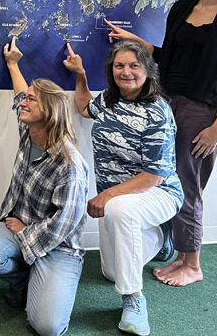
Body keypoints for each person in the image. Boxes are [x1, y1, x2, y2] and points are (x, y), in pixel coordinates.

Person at [106, 0, 217, 287]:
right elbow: (166, 57)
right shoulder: (182, 8)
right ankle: (173, 249)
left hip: (204, 111)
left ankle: (192, 263)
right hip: (165, 102)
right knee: (159, 177)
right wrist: (135, 42)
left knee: (187, 183)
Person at [63, 41, 183, 335]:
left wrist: (106, 194)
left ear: (147, 70)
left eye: (134, 65)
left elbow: (154, 175)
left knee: (117, 209)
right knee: (111, 272)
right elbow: (83, 107)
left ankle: (133, 300)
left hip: (159, 192)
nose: (126, 72)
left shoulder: (158, 112)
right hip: (121, 199)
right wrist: (80, 75)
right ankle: (158, 237)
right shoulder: (107, 100)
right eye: (119, 66)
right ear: (111, 70)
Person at [0, 37, 88, 336]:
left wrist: (25, 233)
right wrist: (13, 64)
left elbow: (64, 224)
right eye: (26, 99)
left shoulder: (69, 164)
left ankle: (41, 274)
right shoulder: (30, 130)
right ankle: (23, 277)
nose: (23, 102)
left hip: (58, 245)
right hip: (16, 224)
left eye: (32, 100)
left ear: (49, 111)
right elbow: (19, 94)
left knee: (47, 327)